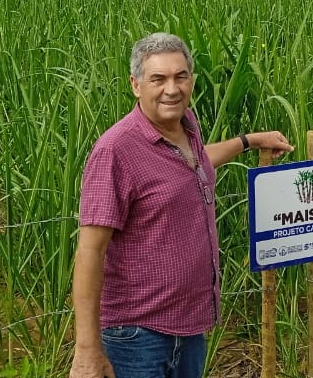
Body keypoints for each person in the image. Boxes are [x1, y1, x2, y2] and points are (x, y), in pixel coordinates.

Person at [70, 32, 293, 378]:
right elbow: (89, 252)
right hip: (137, 337)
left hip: (189, 330)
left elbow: (198, 162)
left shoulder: (186, 128)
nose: (171, 89)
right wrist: (86, 350)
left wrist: (248, 141)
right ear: (135, 84)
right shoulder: (116, 151)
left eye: (180, 76)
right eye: (158, 79)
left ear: (192, 79)